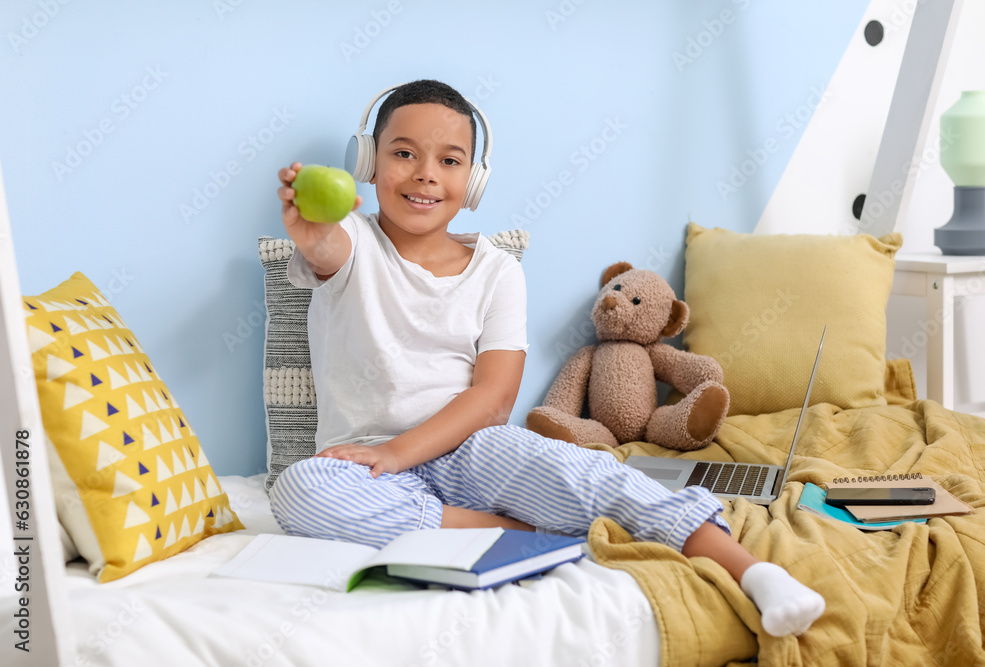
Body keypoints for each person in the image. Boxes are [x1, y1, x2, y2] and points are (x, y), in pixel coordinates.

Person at [269, 79, 824, 637]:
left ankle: (752, 572)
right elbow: (324, 249)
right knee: (298, 490)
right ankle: (522, 529)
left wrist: (402, 450)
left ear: (474, 179)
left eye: (450, 159)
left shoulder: (497, 272)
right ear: (368, 161)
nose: (425, 174)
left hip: (471, 445)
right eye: (404, 153)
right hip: (365, 465)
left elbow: (493, 400)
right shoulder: (351, 242)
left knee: (586, 472)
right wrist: (309, 230)